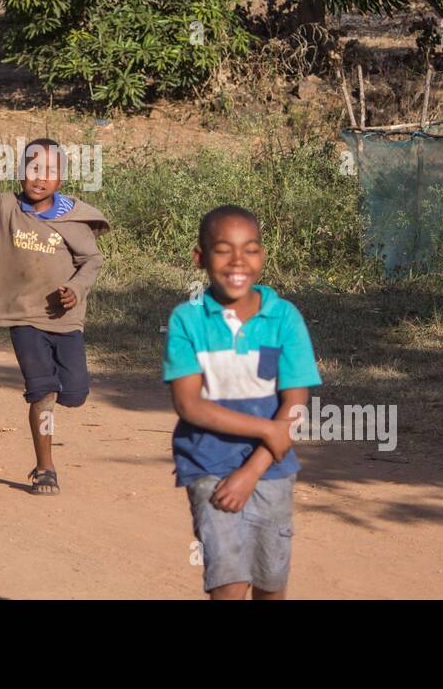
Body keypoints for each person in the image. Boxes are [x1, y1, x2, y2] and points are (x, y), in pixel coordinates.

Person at [0, 114, 109, 494]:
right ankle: (45, 467)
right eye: (32, 167)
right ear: (19, 172)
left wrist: (76, 289)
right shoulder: (2, 210)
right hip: (24, 319)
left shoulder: (74, 219)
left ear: (62, 178)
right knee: (43, 392)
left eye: (49, 169)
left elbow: (91, 261)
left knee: (74, 394)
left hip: (65, 322)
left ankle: (56, 404)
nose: (39, 176)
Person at [163, 204, 322, 598]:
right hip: (207, 466)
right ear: (200, 258)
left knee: (270, 584)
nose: (238, 261)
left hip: (271, 470)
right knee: (228, 582)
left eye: (250, 249)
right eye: (223, 249)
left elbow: (295, 407)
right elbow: (189, 405)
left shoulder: (284, 318)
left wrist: (251, 471)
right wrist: (267, 427)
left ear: (262, 256)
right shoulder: (188, 320)